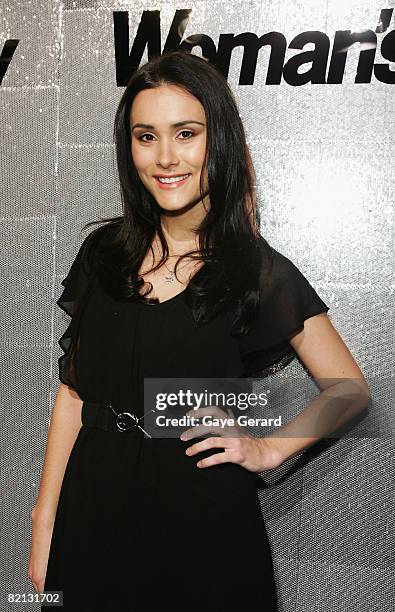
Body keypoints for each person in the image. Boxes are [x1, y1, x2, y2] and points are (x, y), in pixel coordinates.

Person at [29, 50, 370, 611]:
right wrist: (45, 521)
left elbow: (350, 389)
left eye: (185, 133)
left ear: (220, 140)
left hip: (202, 525)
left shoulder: (257, 272)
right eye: (146, 136)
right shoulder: (102, 254)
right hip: (92, 509)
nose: (165, 157)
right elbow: (73, 394)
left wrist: (265, 448)